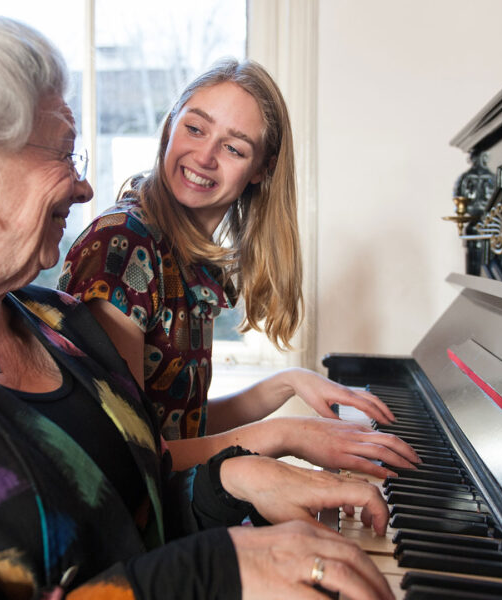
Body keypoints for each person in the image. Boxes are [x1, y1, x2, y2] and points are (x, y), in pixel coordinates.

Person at [0, 2, 397, 599]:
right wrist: (212, 568)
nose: (87, 187)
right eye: (65, 152)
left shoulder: (56, 326)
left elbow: (128, 512)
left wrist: (237, 482)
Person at [61, 59, 420, 475]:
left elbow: (179, 424)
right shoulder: (123, 247)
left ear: (261, 170)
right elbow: (129, 457)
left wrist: (288, 383)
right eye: (195, 128)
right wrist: (287, 435)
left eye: (234, 148)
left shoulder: (180, 252)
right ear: (169, 127)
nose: (205, 156)